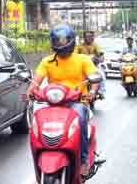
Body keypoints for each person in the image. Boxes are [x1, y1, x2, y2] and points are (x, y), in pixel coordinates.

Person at [30, 24, 101, 177]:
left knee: (80, 118)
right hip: (52, 103)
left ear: (71, 41)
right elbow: (36, 81)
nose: (60, 44)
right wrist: (30, 91)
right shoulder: (47, 61)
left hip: (77, 102)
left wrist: (93, 92)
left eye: (63, 41)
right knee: (36, 121)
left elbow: (94, 78)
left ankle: (83, 160)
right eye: (57, 41)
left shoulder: (83, 60)